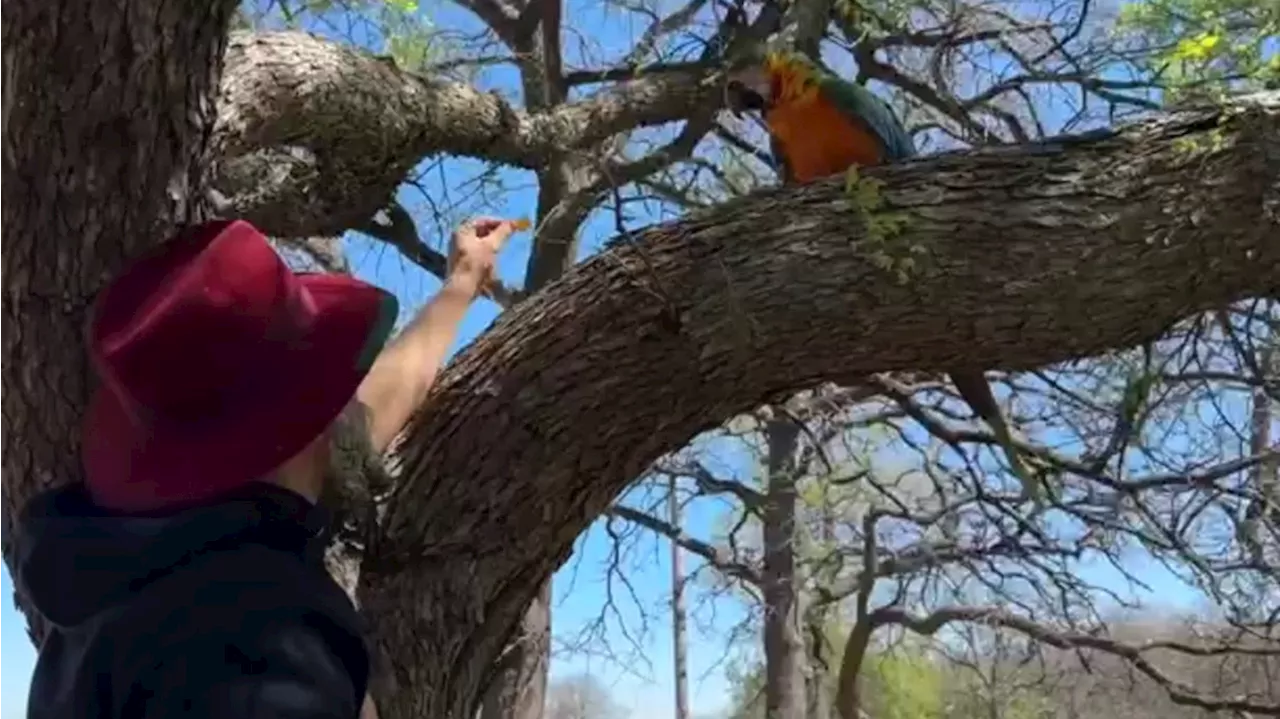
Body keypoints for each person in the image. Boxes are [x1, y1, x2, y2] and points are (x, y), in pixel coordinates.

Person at [12, 216, 517, 718]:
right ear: (300, 427)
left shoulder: (104, 598)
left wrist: (461, 285)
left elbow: (357, 422)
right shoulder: (258, 638)